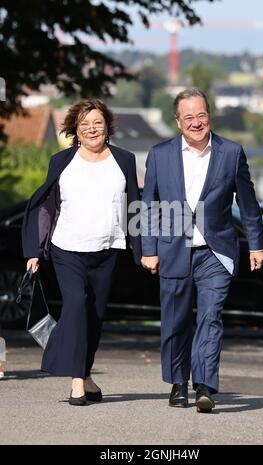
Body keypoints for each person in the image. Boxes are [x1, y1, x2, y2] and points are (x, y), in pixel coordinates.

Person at [141, 88, 263, 413]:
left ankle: (206, 385)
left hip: (217, 251)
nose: (195, 122)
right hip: (172, 249)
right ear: (178, 120)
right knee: (176, 321)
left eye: (201, 115)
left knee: (211, 318)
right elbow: (148, 205)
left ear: (209, 115)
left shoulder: (231, 152)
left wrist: (256, 244)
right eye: (188, 117)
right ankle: (177, 382)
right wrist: (149, 248)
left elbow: (249, 203)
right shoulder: (160, 154)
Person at [22, 99, 141, 406]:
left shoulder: (124, 160)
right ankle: (76, 382)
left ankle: (86, 375)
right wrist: (35, 249)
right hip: (67, 247)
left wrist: (144, 249)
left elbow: (135, 206)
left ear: (108, 126)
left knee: (95, 316)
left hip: (108, 248)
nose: (92, 129)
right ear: (75, 128)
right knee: (76, 304)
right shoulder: (61, 160)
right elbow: (46, 206)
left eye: (98, 123)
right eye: (85, 124)